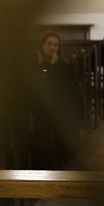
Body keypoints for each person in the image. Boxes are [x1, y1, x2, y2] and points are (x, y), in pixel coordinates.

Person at [31, 32, 84, 168]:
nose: (52, 47)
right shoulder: (34, 61)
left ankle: (61, 158)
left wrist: (56, 66)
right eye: (49, 44)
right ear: (42, 45)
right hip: (38, 107)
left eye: (55, 45)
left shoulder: (63, 64)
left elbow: (70, 89)